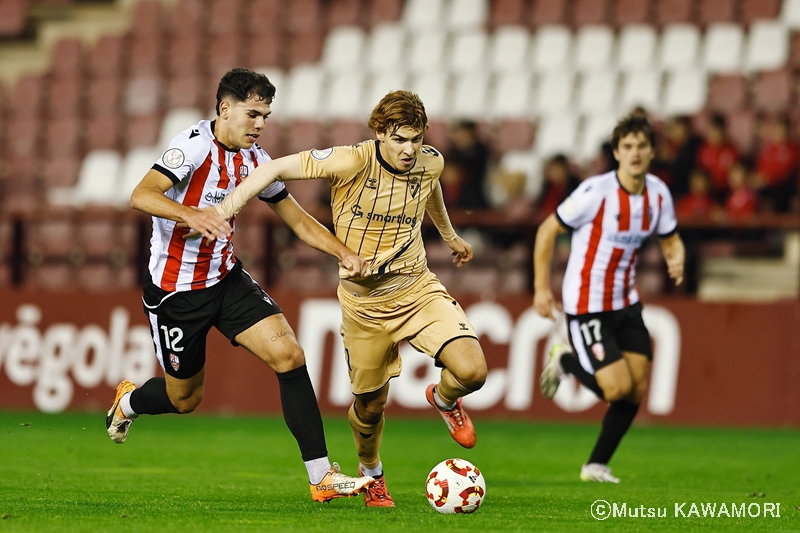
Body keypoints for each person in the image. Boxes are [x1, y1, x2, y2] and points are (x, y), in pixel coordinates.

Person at [106, 68, 375, 503]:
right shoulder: (191, 147)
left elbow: (295, 218)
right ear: (225, 108)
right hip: (176, 293)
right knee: (185, 399)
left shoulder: (257, 161)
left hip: (226, 278)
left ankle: (321, 477)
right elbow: (141, 194)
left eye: (266, 116)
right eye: (253, 114)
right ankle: (130, 402)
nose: (260, 125)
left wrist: (343, 252)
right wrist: (190, 214)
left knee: (289, 354)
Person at [212, 90, 488, 507]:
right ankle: (371, 474)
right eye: (399, 139)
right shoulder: (350, 160)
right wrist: (224, 209)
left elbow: (429, 188)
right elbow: (273, 168)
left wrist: (449, 235)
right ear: (379, 133)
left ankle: (446, 399)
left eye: (415, 139)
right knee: (370, 408)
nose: (409, 150)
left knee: (473, 371)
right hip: (364, 306)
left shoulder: (431, 162)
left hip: (416, 288)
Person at [533, 113, 685, 483]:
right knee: (616, 387)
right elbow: (547, 230)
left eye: (642, 146)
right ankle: (566, 361)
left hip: (626, 301)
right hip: (588, 304)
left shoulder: (658, 193)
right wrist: (541, 288)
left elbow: (670, 237)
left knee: (635, 390)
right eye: (627, 146)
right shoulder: (595, 192)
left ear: (652, 152)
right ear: (617, 152)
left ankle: (596, 465)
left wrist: (675, 256)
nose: (635, 153)